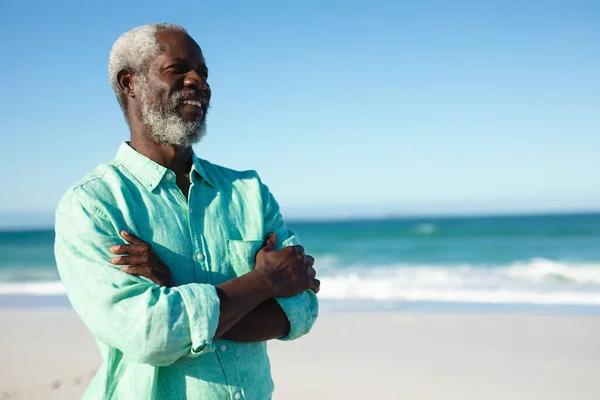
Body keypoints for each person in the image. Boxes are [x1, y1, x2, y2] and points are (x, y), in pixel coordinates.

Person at [54, 23, 320, 400]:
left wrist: (176, 293)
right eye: (177, 69)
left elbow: (301, 311)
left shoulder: (248, 192)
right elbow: (150, 334)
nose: (198, 81)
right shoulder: (92, 205)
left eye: (203, 72)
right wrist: (264, 283)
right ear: (130, 82)